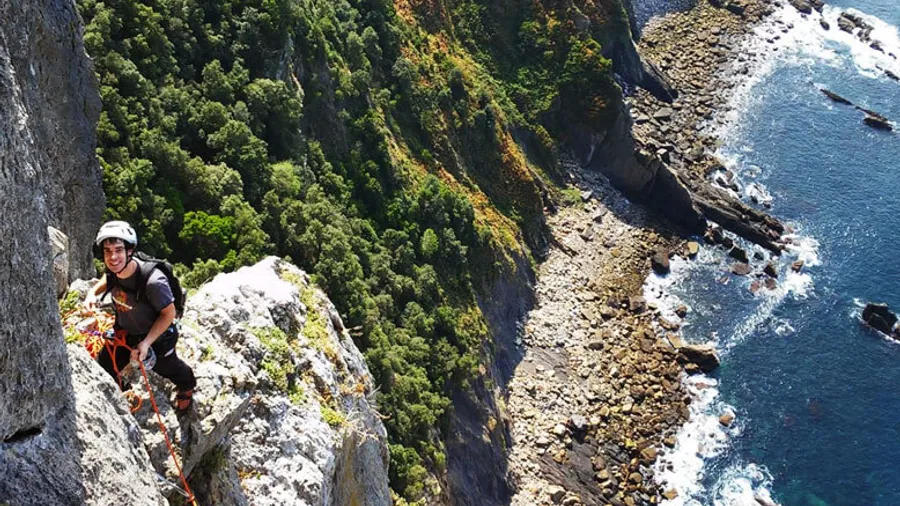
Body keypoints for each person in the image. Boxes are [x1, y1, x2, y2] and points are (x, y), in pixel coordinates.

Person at [83, 220, 196, 411]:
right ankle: (123, 390)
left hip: (157, 336)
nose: (112, 257)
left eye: (118, 250)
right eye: (107, 251)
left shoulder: (153, 282)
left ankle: (187, 387)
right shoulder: (115, 269)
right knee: (105, 364)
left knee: (167, 367)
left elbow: (169, 314)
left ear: (130, 251)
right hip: (125, 331)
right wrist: (91, 294)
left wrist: (146, 343)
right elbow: (107, 277)